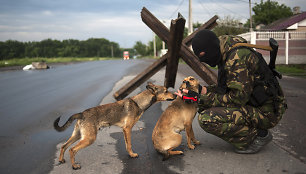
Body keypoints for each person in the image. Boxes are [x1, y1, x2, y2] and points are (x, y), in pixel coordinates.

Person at [175, 29, 287, 154]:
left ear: (210, 50)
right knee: (203, 105)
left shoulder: (236, 59)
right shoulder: (225, 50)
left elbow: (237, 98)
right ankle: (250, 130)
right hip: (254, 104)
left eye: (204, 57)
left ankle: (258, 135)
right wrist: (201, 91)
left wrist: (201, 98)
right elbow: (225, 88)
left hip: (267, 112)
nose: (206, 62)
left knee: (207, 118)